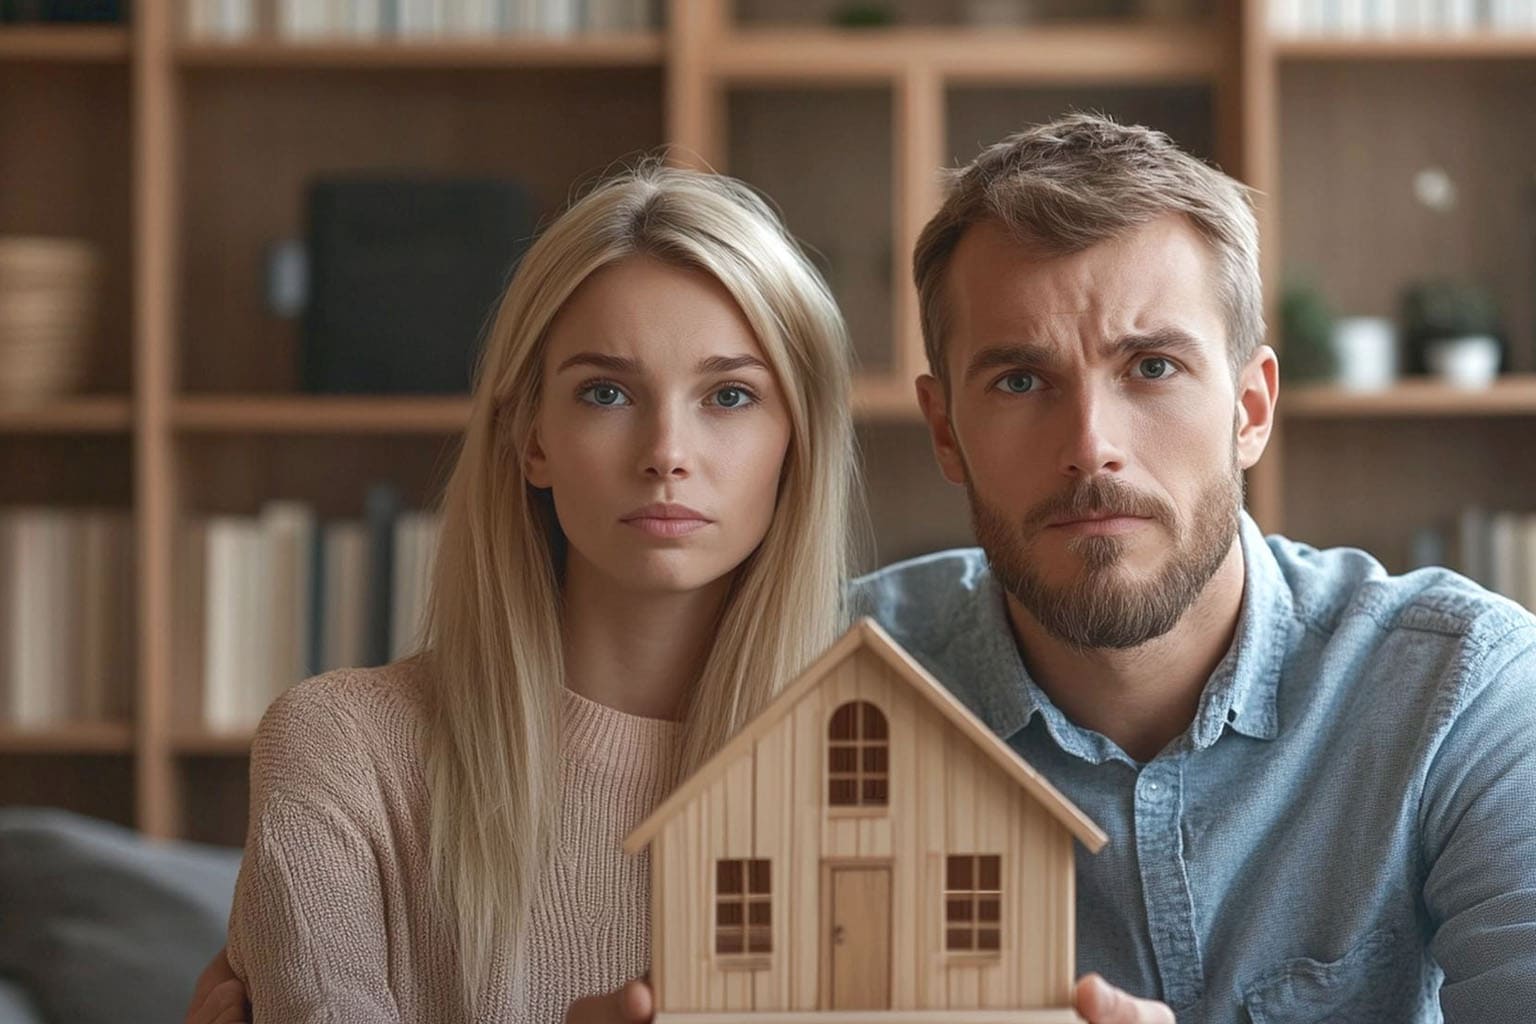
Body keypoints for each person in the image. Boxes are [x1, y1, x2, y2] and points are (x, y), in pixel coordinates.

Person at [191, 113, 1536, 1024]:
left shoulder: (1462, 687)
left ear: (1251, 405)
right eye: (1020, 379)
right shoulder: (845, 685)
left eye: (1153, 367)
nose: (1093, 445)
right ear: (942, 427)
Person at [196, 160, 860, 1023]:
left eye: (729, 395)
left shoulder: (871, 782)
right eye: (606, 393)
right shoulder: (343, 751)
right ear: (531, 437)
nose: (667, 451)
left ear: (797, 444)